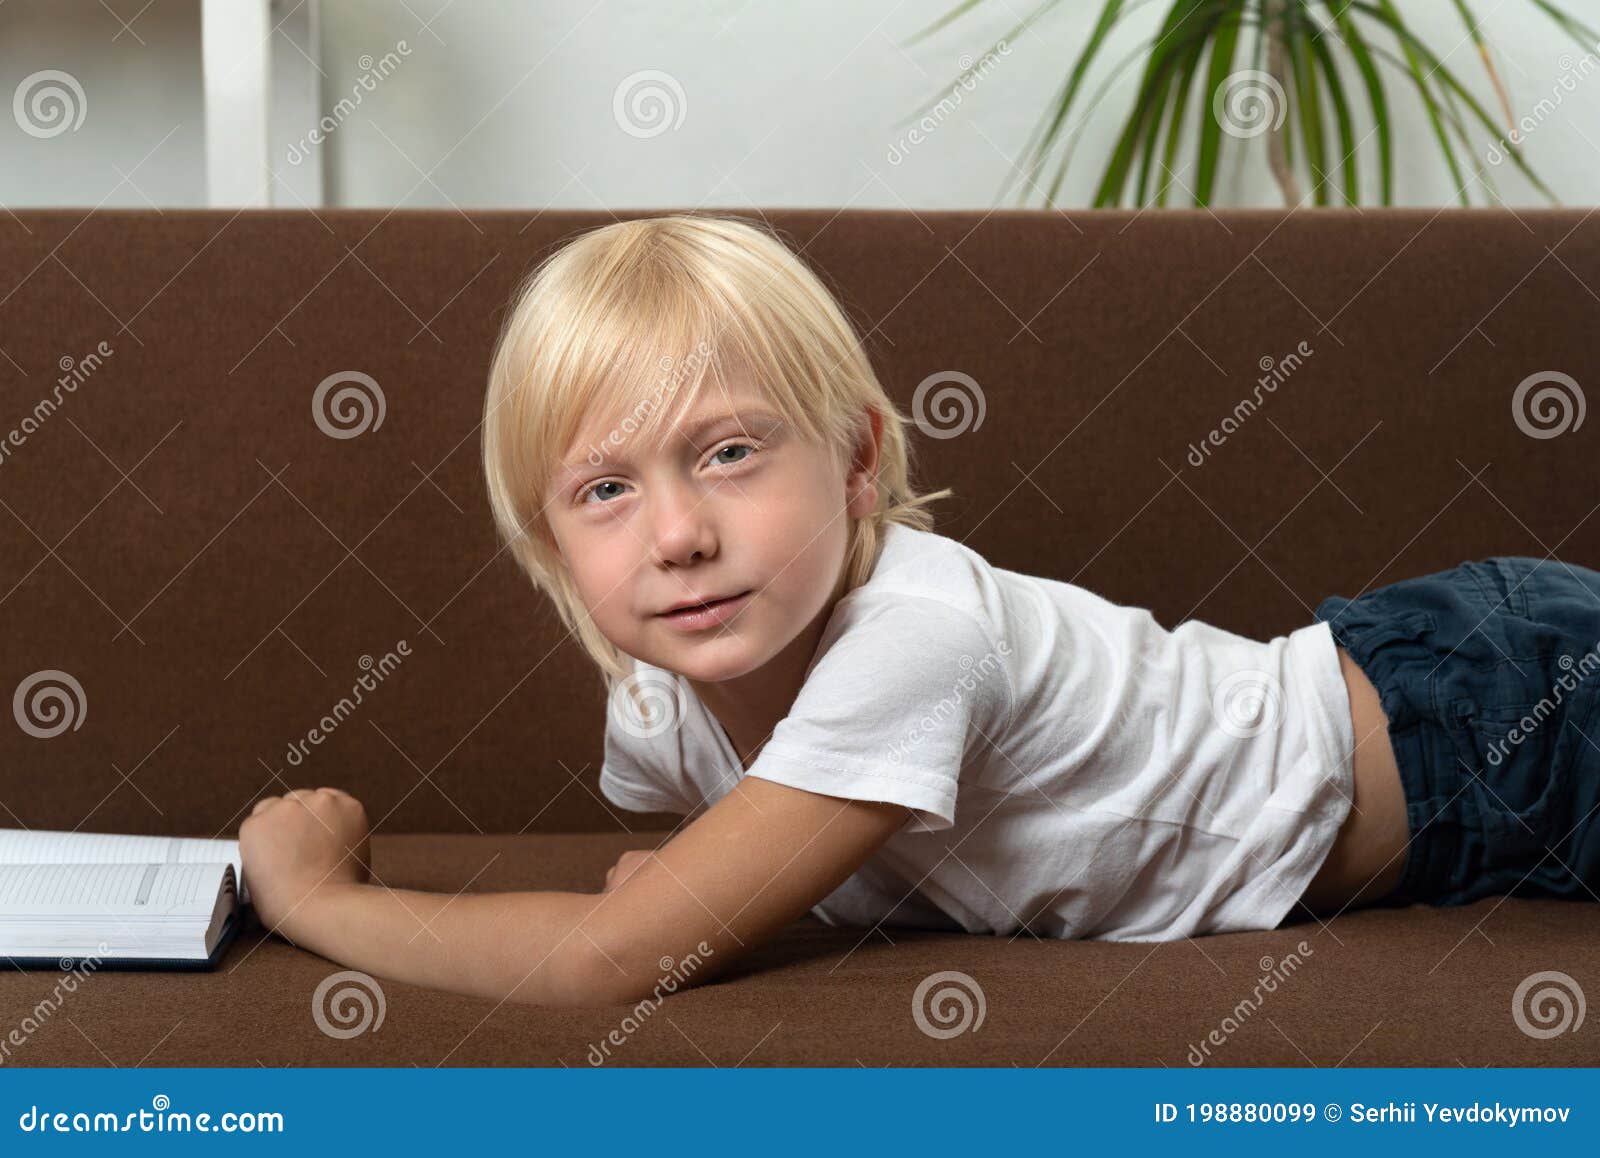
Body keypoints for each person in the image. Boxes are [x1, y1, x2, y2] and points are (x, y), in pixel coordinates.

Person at [239, 214, 1600, 1007]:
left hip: (1499, 712)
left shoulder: (918, 633)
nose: (678, 532)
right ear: (550, 545)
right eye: (605, 487)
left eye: (728, 451)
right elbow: (835, 857)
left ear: (857, 462)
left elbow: (609, 959)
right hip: (1454, 805)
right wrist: (724, 880)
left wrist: (317, 897)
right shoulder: (658, 709)